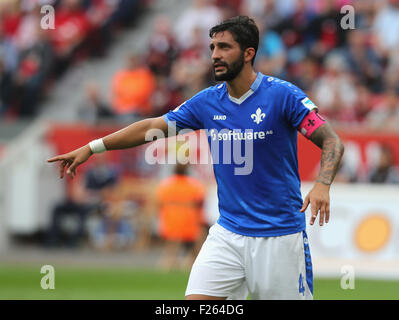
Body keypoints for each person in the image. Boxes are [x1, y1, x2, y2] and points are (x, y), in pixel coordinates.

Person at [47, 16, 344, 300]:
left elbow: (331, 140)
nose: (215, 54)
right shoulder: (206, 103)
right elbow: (152, 127)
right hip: (228, 233)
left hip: (279, 237)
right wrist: (93, 147)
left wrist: (322, 184)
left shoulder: (283, 96)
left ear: (249, 53)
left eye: (224, 47)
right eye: (213, 47)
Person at [156, 161, 207, 271]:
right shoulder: (194, 185)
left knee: (171, 250)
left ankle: (167, 266)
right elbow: (200, 203)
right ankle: (191, 267)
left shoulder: (166, 185)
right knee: (195, 250)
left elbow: (159, 203)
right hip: (189, 222)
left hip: (172, 222)